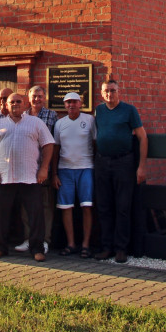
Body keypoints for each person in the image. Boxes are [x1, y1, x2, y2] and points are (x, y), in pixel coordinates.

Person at [0, 93, 54, 262]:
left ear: (25, 104)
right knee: (0, 215)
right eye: (11, 102)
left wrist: (44, 168)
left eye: (18, 101)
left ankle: (37, 248)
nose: (15, 104)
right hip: (4, 177)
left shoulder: (36, 123)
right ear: (6, 105)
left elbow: (49, 144)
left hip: (30, 177)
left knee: (35, 215)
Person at [94, 79, 147, 263]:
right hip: (102, 162)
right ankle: (106, 247)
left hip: (123, 162)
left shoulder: (129, 110)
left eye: (113, 90)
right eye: (106, 91)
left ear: (119, 91)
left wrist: (141, 166)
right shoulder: (99, 111)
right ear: (102, 93)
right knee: (104, 206)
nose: (110, 94)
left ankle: (121, 248)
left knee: (123, 206)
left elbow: (142, 137)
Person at [52, 92, 96, 258]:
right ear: (64, 105)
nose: (71, 105)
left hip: (86, 168)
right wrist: (54, 173)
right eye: (68, 102)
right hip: (65, 170)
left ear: (80, 103)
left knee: (86, 206)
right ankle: (70, 244)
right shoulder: (59, 124)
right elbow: (56, 148)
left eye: (74, 102)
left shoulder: (89, 120)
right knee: (66, 208)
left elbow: (95, 143)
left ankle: (85, 245)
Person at [16, 85, 58, 253]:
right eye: (34, 96)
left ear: (44, 98)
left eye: (40, 96)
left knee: (45, 204)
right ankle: (29, 238)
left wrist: (49, 169)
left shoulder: (52, 115)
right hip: (26, 167)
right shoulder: (23, 116)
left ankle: (44, 240)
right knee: (26, 204)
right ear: (29, 97)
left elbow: (54, 145)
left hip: (43, 166)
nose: (37, 99)